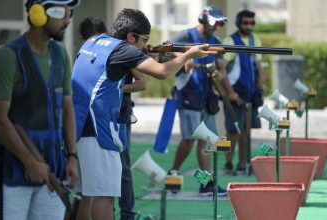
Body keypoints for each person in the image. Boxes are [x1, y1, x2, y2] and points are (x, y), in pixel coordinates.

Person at [71, 8, 215, 220]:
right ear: (130, 36)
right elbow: (162, 72)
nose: (145, 45)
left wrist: (143, 52)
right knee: (104, 198)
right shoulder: (123, 50)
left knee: (86, 195)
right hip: (99, 132)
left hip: (77, 128)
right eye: (143, 40)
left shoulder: (93, 42)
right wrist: (189, 54)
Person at [0, 0, 80, 219]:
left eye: (69, 13)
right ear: (37, 14)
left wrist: (72, 156)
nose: (67, 20)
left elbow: (67, 109)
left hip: (53, 168)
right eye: (61, 13)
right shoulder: (8, 56)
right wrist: (29, 162)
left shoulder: (60, 55)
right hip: (13, 171)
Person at [75, 16, 146, 220]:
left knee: (119, 174)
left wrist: (112, 89)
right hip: (91, 122)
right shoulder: (86, 53)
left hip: (117, 117)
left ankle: (127, 213)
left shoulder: (119, 52)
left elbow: (142, 83)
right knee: (90, 192)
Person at [167, 5, 228, 196]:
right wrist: (185, 58)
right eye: (214, 21)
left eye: (219, 22)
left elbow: (222, 68)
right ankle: (173, 173)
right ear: (203, 19)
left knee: (206, 141)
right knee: (188, 139)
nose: (217, 25)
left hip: (207, 97)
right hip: (188, 94)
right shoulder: (185, 35)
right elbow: (164, 50)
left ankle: (205, 183)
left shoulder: (215, 41)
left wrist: (219, 74)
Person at [222, 10, 264, 174]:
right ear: (238, 23)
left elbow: (258, 67)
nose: (249, 26)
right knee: (233, 130)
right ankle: (228, 163)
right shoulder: (230, 40)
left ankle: (243, 164)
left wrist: (260, 89)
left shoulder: (256, 41)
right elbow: (222, 69)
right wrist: (231, 93)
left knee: (246, 131)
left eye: (252, 23)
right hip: (235, 93)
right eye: (246, 22)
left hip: (251, 94)